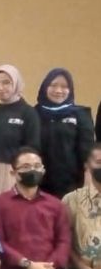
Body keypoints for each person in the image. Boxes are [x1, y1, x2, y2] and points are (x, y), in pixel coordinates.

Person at [0, 64, 40, 207]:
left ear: (16, 83)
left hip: (14, 172)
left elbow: (33, 147)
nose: (0, 87)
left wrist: (22, 171)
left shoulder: (28, 113)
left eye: (6, 82)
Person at [35, 68, 93, 199]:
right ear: (45, 87)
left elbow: (87, 152)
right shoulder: (34, 114)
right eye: (53, 85)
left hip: (72, 184)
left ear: (70, 89)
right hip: (40, 183)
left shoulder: (80, 114)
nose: (58, 90)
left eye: (64, 86)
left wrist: (88, 182)